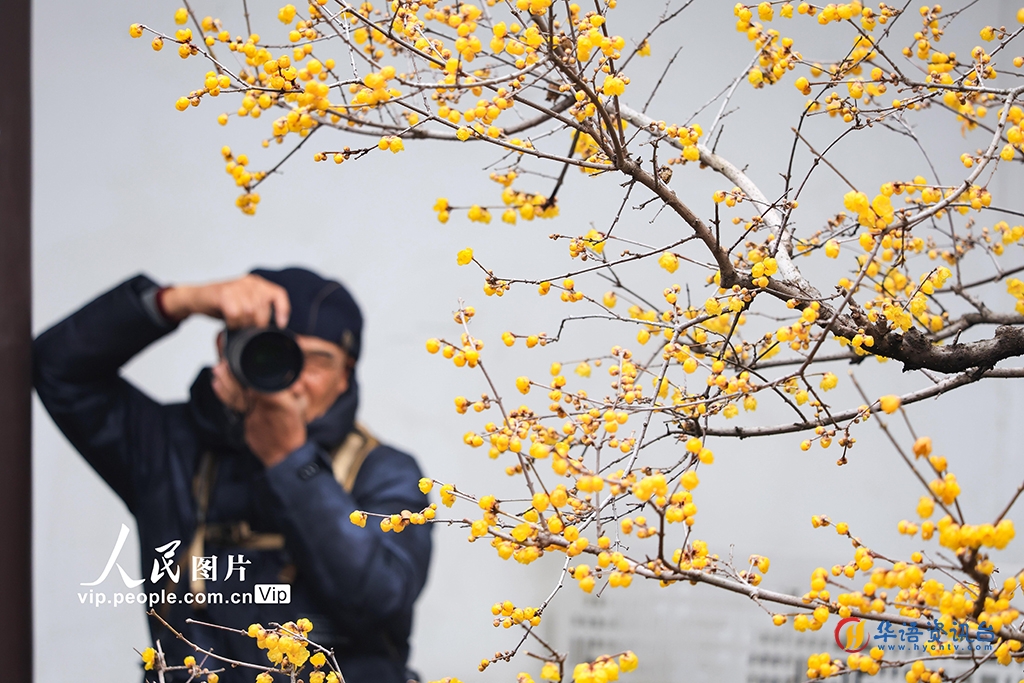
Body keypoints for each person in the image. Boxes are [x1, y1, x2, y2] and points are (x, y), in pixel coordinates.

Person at [33, 269, 432, 683]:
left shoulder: (384, 471)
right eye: (271, 353)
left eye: (315, 360)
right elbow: (58, 368)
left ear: (345, 375)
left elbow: (382, 601)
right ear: (225, 350)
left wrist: (290, 460)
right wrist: (177, 301)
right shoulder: (170, 446)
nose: (289, 378)